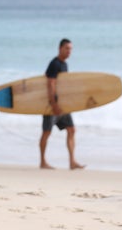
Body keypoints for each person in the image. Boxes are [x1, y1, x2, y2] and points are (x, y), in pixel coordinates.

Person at [39, 38, 85, 170]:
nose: (69, 51)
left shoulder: (64, 64)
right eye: (67, 48)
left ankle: (72, 161)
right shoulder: (54, 64)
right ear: (60, 48)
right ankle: (42, 162)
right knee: (46, 132)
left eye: (71, 49)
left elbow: (62, 85)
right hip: (52, 105)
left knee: (71, 130)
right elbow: (50, 83)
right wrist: (53, 104)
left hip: (63, 106)